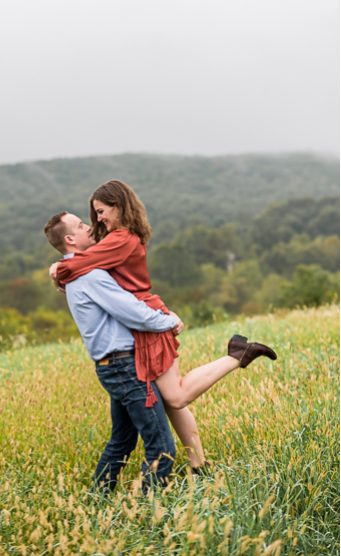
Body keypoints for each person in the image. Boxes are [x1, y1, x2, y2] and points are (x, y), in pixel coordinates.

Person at [49, 181, 277, 474]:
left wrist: (59, 268)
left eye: (101, 211)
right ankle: (199, 466)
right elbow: (86, 260)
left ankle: (237, 355)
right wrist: (60, 264)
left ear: (119, 206)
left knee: (176, 396)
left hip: (145, 319)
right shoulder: (117, 237)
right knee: (170, 401)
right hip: (142, 318)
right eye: (93, 215)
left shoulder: (121, 238)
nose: (96, 221)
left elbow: (83, 262)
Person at [44, 210, 184, 491]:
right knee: (161, 446)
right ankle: (150, 516)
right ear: (70, 239)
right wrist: (169, 321)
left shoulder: (75, 272)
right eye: (82, 225)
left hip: (113, 367)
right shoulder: (90, 276)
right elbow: (132, 311)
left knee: (122, 440)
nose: (89, 227)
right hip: (126, 368)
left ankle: (98, 500)